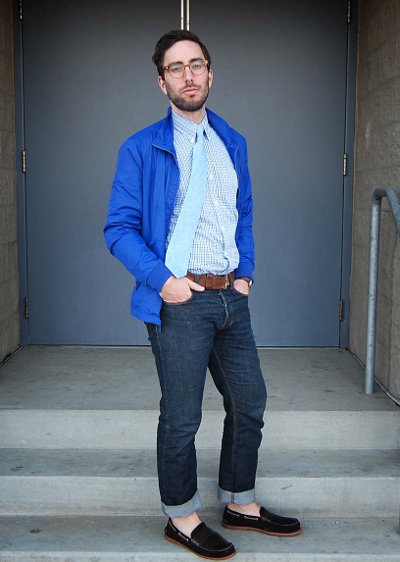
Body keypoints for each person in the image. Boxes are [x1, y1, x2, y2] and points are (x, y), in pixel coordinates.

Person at [104, 29, 301, 560]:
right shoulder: (141, 147)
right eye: (176, 68)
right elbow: (118, 228)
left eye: (197, 64)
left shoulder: (230, 140)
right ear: (161, 82)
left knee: (249, 402)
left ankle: (239, 501)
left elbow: (244, 213)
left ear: (211, 73)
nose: (188, 75)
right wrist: (164, 281)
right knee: (183, 415)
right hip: (179, 301)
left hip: (230, 297)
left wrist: (246, 274)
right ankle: (182, 516)